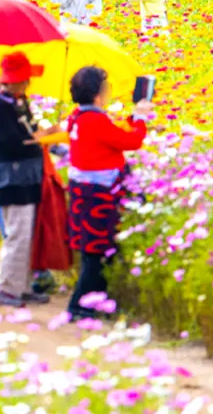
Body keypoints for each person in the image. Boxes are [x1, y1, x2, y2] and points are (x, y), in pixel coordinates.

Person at [64, 66, 152, 320]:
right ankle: (78, 305)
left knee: (97, 250)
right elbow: (131, 141)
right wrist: (140, 118)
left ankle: (96, 304)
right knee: (97, 251)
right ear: (97, 94)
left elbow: (111, 137)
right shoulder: (94, 120)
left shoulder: (78, 117)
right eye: (106, 88)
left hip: (85, 193)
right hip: (98, 195)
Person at [0, 52, 57, 307]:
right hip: (11, 177)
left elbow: (28, 133)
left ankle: (22, 286)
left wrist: (45, 134)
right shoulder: (0, 105)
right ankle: (6, 289)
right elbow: (8, 143)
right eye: (23, 80)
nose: (26, 85)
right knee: (16, 234)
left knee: (27, 233)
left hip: (27, 176)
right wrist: (39, 139)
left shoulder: (18, 102)